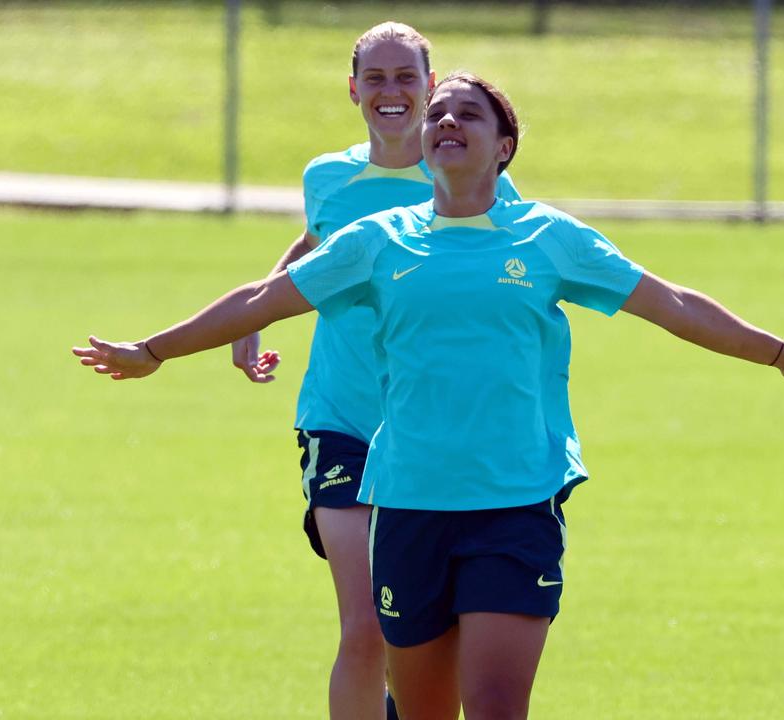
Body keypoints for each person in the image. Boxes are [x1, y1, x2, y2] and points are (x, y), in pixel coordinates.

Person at [74, 71, 784, 720]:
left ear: (502, 147)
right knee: (424, 713)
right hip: (407, 505)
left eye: (468, 114)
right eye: (437, 112)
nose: (446, 120)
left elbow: (672, 302)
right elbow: (262, 299)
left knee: (493, 709)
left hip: (513, 504)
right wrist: (154, 351)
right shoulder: (380, 241)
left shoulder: (549, 239)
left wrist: (779, 354)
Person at [227, 23, 518, 720]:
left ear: (430, 85)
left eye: (406, 77)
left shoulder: (466, 172)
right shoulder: (328, 175)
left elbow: (512, 265)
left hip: (433, 436)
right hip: (343, 417)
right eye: (377, 78)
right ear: (355, 90)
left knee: (423, 633)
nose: (392, 91)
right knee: (365, 627)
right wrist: (253, 313)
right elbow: (318, 242)